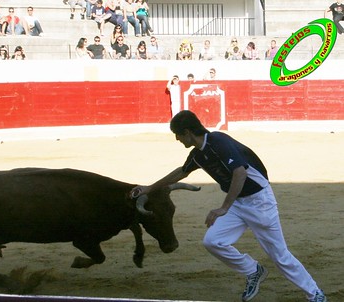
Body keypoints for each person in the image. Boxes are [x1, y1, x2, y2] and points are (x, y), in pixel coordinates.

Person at [130, 110, 328, 302]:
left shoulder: (218, 141)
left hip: (259, 202)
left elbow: (239, 173)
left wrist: (223, 207)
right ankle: (253, 270)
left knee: (280, 256)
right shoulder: (198, 153)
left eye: (178, 135)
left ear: (187, 133)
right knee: (213, 241)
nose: (177, 140)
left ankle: (315, 294)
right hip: (238, 202)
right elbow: (182, 171)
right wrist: (149, 188)